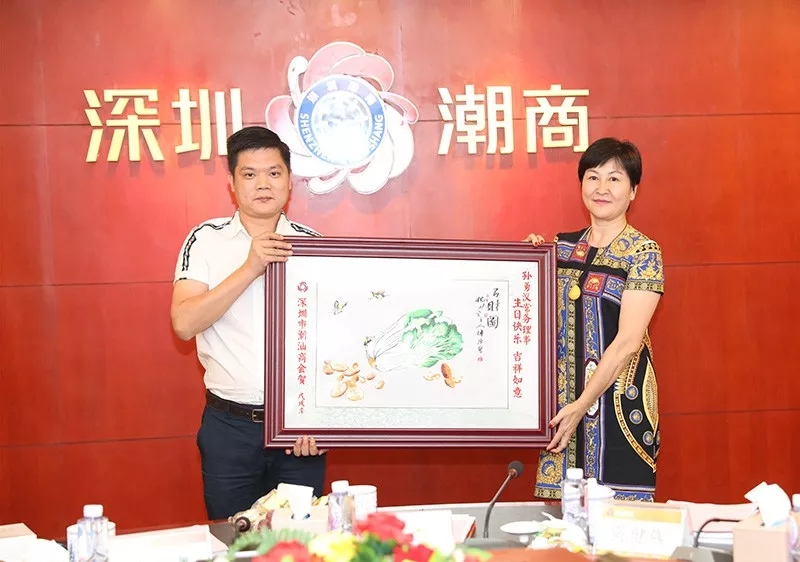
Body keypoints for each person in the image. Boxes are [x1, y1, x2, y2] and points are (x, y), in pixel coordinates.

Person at [170, 126, 326, 520]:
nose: (263, 184)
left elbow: (335, 343)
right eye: (250, 174)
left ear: (289, 180)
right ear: (232, 183)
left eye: (274, 173)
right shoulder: (205, 240)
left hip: (299, 430)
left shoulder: (315, 244)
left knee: (299, 542)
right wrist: (251, 267)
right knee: (232, 540)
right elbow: (184, 323)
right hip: (230, 427)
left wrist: (323, 421)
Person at [525, 137, 664, 502]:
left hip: (619, 410)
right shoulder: (560, 248)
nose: (602, 188)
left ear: (633, 191)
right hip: (563, 410)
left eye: (614, 179)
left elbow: (628, 342)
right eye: (593, 177)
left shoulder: (644, 253)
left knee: (622, 525)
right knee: (563, 524)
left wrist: (581, 405)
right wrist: (526, 262)